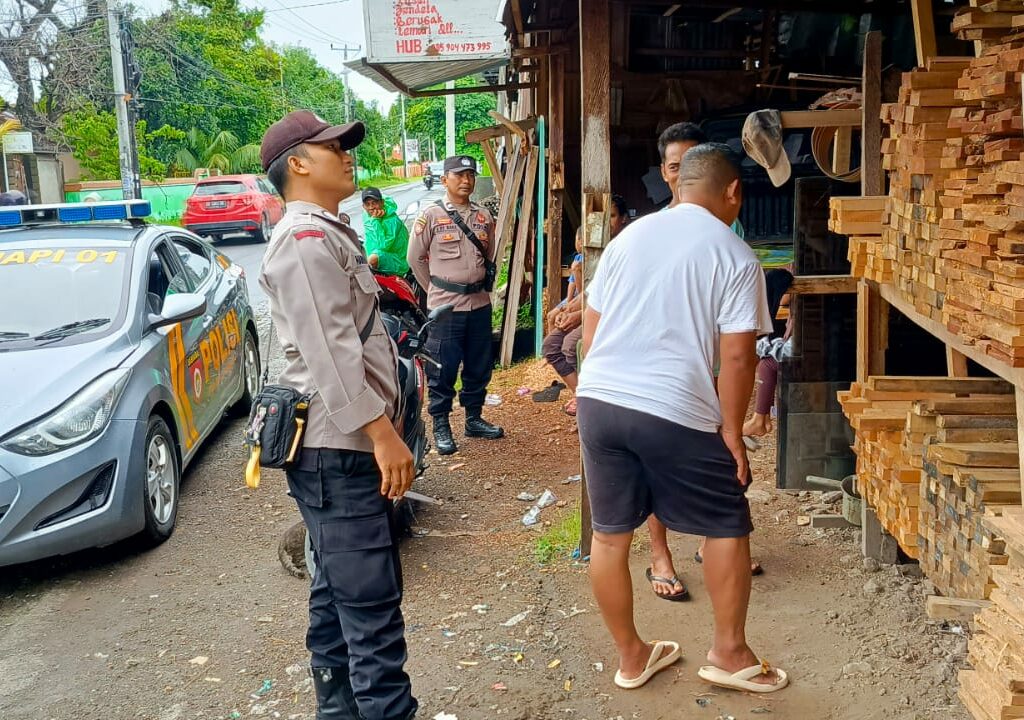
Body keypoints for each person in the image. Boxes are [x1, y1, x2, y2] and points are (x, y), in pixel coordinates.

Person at [576, 143, 788, 694]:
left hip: (600, 401)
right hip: (672, 407)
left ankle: (632, 657)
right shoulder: (736, 255)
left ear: (679, 185)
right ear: (733, 192)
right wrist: (732, 432)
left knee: (610, 535)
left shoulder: (628, 238)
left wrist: (596, 392)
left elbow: (592, 333)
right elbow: (739, 357)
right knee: (725, 523)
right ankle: (730, 653)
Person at [258, 110, 418, 720]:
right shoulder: (304, 242)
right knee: (372, 609)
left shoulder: (327, 230)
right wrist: (382, 433)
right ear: (298, 163)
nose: (348, 155)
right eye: (334, 146)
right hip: (340, 447)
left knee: (337, 593)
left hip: (337, 447)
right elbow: (330, 350)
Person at [647, 123, 757, 601]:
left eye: (693, 162)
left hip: (712, 369)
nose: (684, 172)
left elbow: (737, 347)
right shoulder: (649, 231)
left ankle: (715, 543)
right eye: (676, 166)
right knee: (656, 464)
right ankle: (660, 553)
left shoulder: (731, 232)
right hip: (667, 372)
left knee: (721, 462)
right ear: (668, 173)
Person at [407, 155, 504, 456]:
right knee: (443, 368)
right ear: (445, 178)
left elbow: (490, 255)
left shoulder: (483, 217)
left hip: (479, 303)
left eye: (471, 175)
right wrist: (436, 289)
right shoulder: (432, 216)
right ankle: (441, 425)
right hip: (446, 308)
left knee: (479, 364)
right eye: (459, 175)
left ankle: (473, 418)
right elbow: (415, 259)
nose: (466, 180)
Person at [541, 196, 629, 416]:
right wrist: (567, 309)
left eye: (613, 216)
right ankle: (580, 395)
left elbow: (615, 297)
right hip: (589, 309)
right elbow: (587, 292)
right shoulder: (591, 251)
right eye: (602, 217)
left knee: (571, 345)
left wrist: (579, 314)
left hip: (614, 314)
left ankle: (591, 403)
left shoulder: (628, 248)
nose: (607, 222)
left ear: (624, 219)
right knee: (551, 345)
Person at [362, 186, 410, 276]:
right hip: (376, 255)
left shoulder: (392, 220)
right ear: (363, 206)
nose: (371, 207)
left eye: (374, 203)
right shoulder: (367, 215)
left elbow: (382, 246)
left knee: (373, 259)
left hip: (397, 260)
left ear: (382, 202)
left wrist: (375, 221)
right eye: (367, 204)